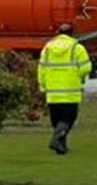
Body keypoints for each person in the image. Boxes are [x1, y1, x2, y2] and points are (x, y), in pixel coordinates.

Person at [37, 22, 93, 155]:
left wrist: (42, 85)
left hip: (52, 91)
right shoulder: (77, 48)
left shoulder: (48, 48)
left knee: (57, 121)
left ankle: (61, 146)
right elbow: (86, 68)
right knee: (68, 119)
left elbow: (41, 68)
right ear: (72, 33)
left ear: (58, 33)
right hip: (70, 91)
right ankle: (57, 140)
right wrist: (80, 77)